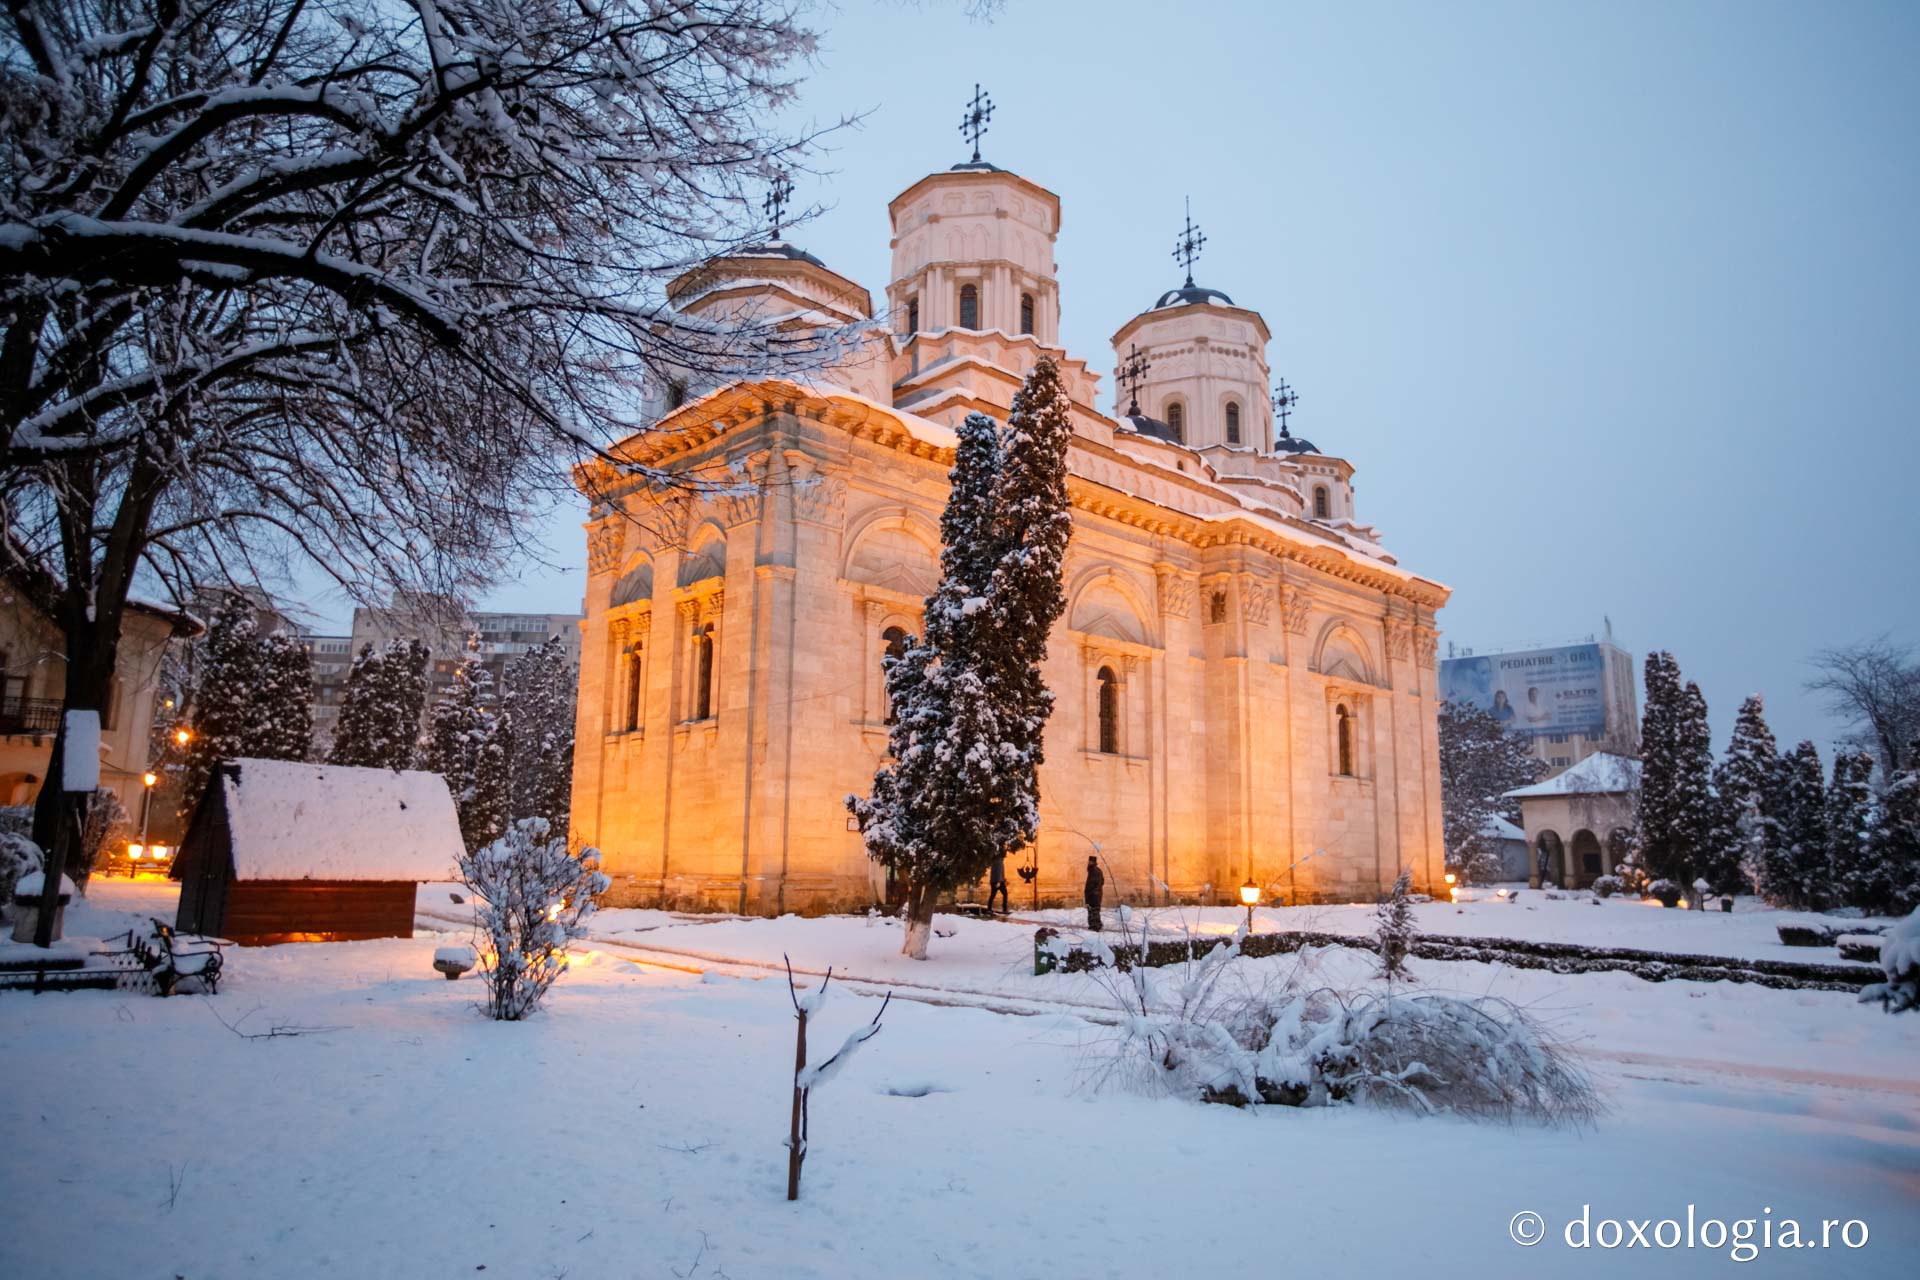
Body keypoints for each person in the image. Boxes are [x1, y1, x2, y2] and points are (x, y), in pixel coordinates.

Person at [1084, 855, 1104, 932]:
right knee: (1095, 909)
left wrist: (1091, 892)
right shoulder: (1098, 870)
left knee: (1092, 909)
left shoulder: (1093, 871)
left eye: (1089, 862)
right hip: (1097, 894)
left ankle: (1095, 926)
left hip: (1093, 894)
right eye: (1088, 861)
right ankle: (1096, 925)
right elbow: (1102, 881)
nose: (1088, 863)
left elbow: (1092, 884)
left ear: (1093, 862)